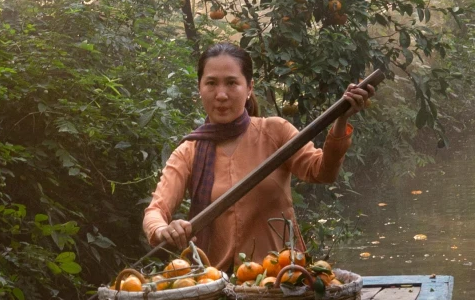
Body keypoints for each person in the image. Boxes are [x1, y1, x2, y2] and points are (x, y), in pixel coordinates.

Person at [143, 42, 374, 270]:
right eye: (211, 83)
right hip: (216, 286)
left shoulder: (275, 132)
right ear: (200, 88)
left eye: (232, 83)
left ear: (249, 88)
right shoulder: (189, 151)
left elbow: (322, 171)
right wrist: (163, 230)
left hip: (280, 281)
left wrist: (341, 120)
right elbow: (155, 211)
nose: (221, 94)